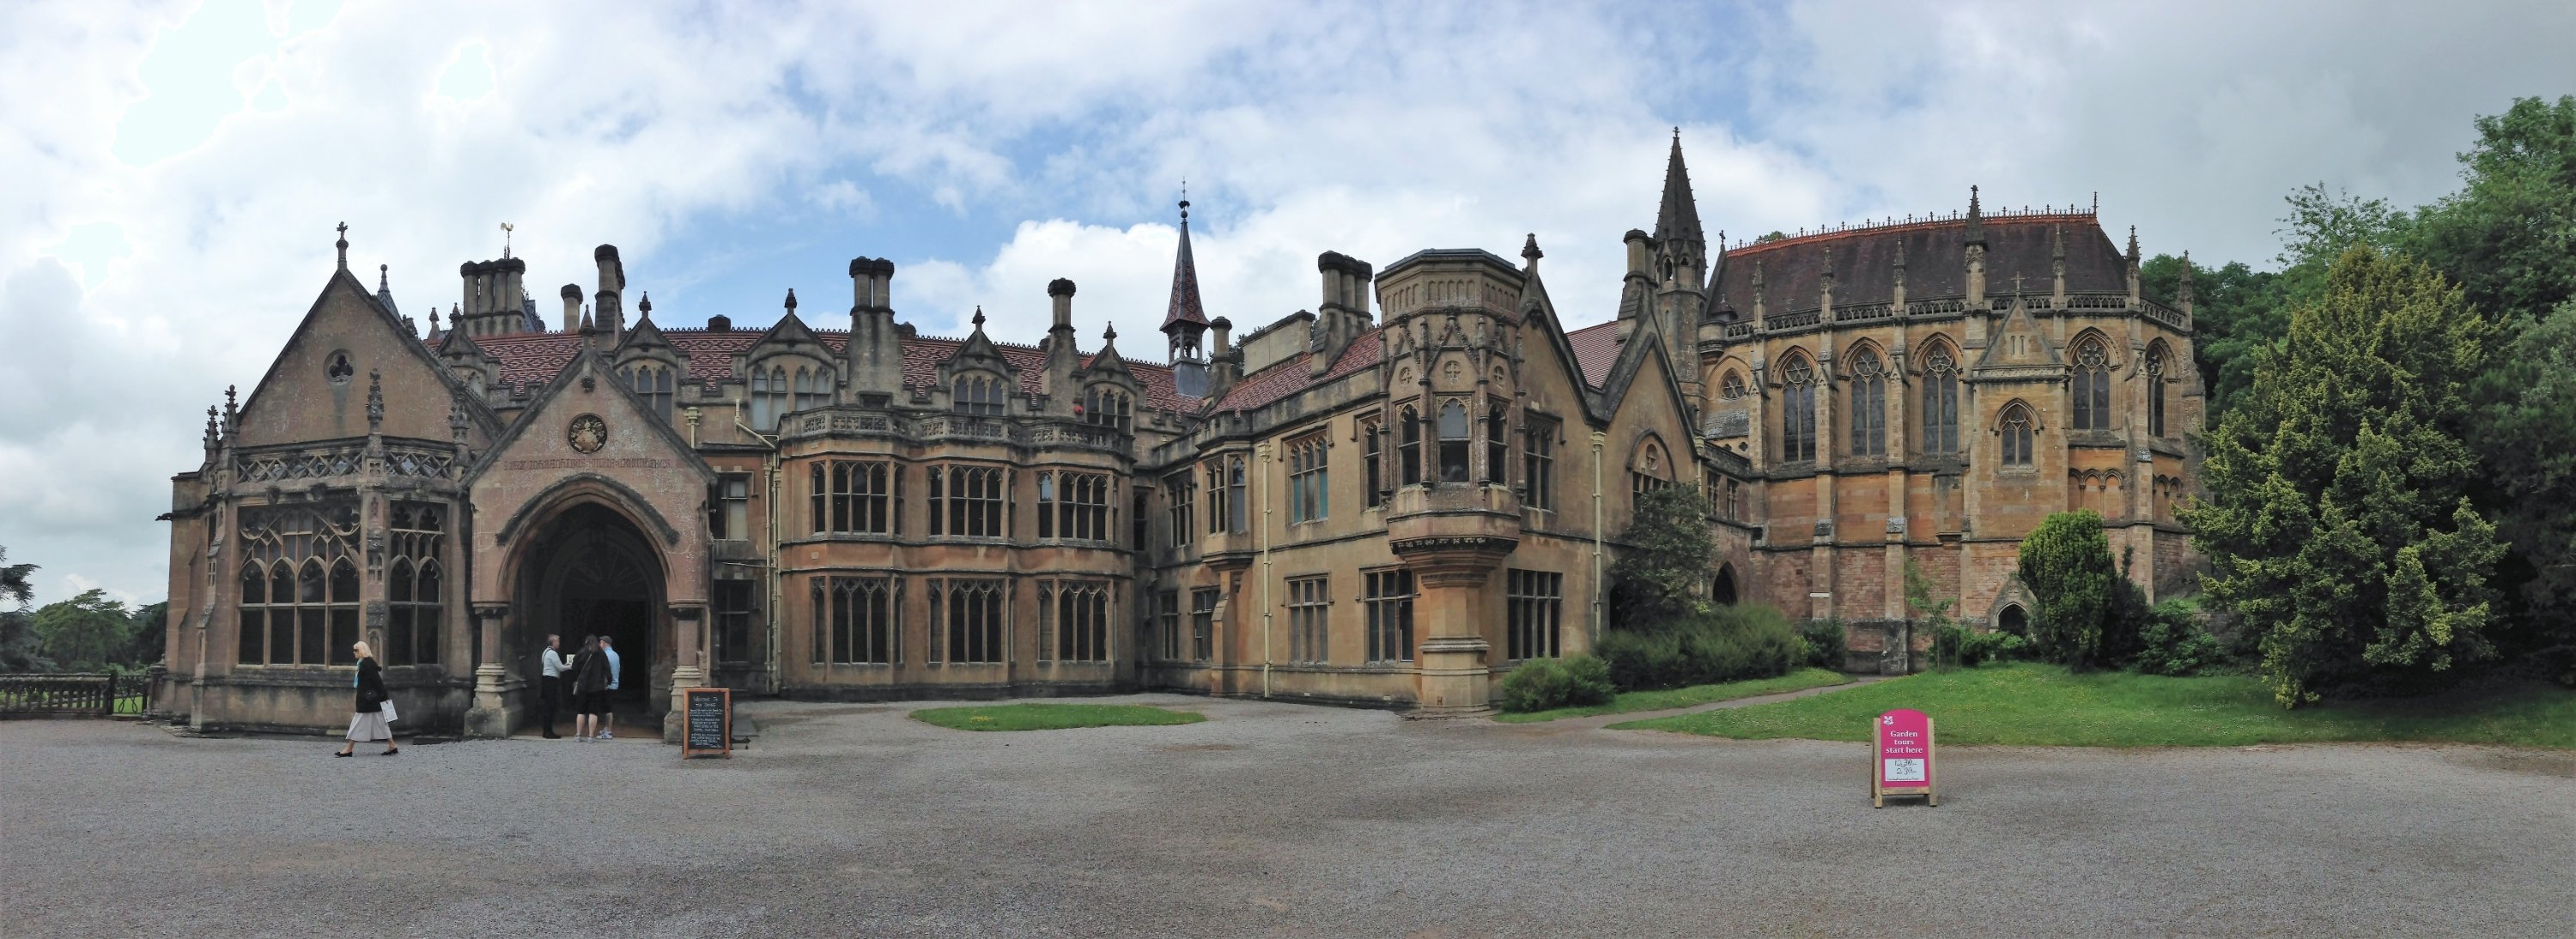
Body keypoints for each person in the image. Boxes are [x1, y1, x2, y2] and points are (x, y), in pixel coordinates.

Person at [336, 640, 398, 757]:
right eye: (354, 650)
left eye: (356, 650)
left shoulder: (366, 664)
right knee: (381, 723)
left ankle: (349, 748)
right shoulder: (364, 663)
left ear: (362, 650)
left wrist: (384, 696)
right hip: (370, 700)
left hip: (368, 700)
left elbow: (377, 681)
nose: (354, 652)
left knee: (357, 723)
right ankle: (392, 745)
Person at [573, 635, 611, 742]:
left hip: (583, 686)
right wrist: (609, 681)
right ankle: (590, 736)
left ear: (586, 642)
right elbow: (607, 668)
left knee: (581, 711)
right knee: (593, 712)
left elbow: (574, 667)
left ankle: (578, 735)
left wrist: (576, 679)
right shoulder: (601, 653)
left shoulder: (581, 652)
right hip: (597, 687)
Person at [536, 633, 569, 739]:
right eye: (557, 641)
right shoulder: (553, 653)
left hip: (546, 680)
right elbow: (561, 668)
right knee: (550, 707)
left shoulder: (545, 652)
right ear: (553, 642)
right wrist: (571, 665)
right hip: (551, 681)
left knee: (548, 706)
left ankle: (547, 731)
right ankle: (548, 732)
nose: (559, 643)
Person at [598, 634, 623, 740]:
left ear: (603, 643)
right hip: (613, 684)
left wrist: (604, 684)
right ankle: (607, 728)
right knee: (607, 707)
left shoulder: (605, 655)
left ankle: (608, 731)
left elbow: (605, 671)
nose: (599, 645)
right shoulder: (615, 654)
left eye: (600, 643)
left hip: (607, 685)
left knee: (608, 709)